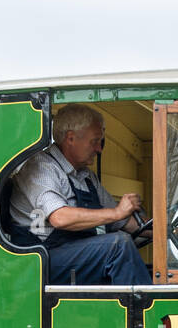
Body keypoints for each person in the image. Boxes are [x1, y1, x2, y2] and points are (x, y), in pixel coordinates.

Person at [8, 103, 151, 285]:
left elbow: (124, 222)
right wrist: (117, 212)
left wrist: (168, 231)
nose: (99, 149)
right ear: (70, 138)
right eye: (95, 141)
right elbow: (59, 217)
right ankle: (145, 310)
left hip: (71, 254)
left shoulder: (86, 176)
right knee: (118, 246)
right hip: (39, 263)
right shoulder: (41, 167)